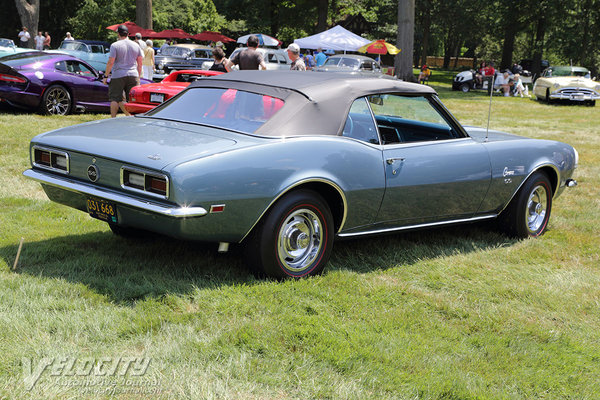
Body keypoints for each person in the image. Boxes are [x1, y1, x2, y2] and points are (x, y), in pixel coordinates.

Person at [103, 25, 143, 118]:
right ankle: (133, 119)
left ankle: (113, 119)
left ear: (118, 34)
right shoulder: (136, 45)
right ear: (128, 34)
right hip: (133, 74)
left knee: (115, 99)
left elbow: (110, 62)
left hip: (118, 75)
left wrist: (106, 76)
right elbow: (140, 62)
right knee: (133, 100)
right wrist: (139, 76)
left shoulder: (115, 45)